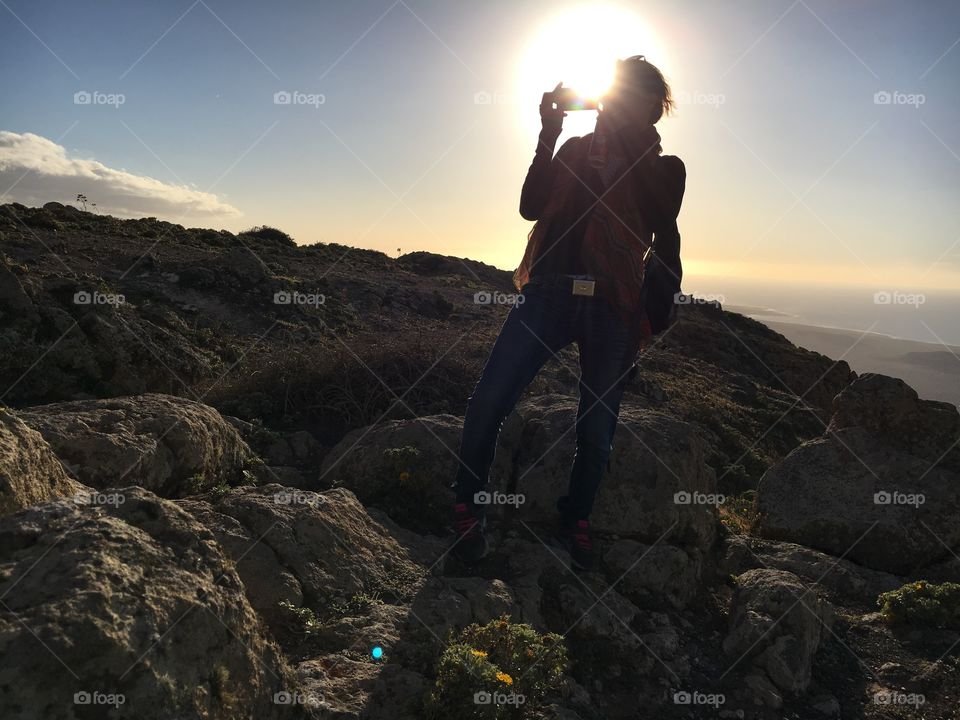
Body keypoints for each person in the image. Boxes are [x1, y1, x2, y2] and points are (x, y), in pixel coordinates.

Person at [451, 55, 686, 570]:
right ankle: (468, 512)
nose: (618, 103)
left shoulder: (667, 169)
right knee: (489, 401)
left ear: (653, 105)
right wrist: (548, 134)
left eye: (630, 95)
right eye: (615, 92)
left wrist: (621, 142)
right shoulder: (578, 149)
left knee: (596, 429)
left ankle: (575, 519)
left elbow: (658, 215)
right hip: (551, 291)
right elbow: (531, 206)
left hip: (614, 303)